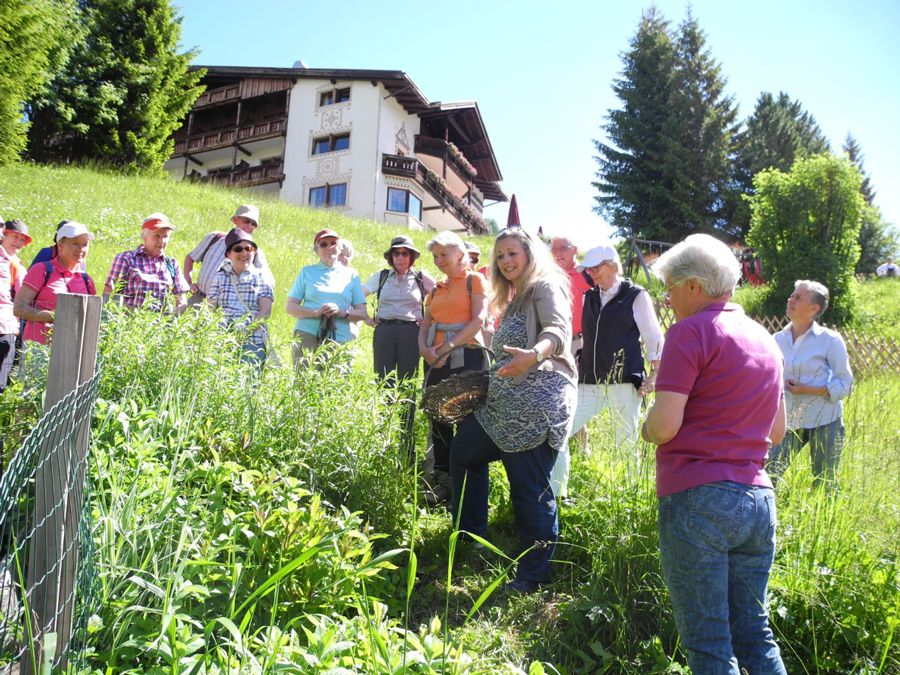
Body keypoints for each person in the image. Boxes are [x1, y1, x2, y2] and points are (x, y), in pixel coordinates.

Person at [641, 234, 787, 674]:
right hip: (759, 501)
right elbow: (777, 431)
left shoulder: (689, 331)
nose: (666, 298)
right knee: (754, 633)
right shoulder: (765, 338)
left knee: (708, 644)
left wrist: (646, 425)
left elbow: (665, 425)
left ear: (693, 287)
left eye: (669, 287)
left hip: (698, 498)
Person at [450, 227, 575, 593]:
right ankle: (471, 537)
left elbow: (558, 330)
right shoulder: (516, 297)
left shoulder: (545, 287)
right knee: (463, 453)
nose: (506, 261)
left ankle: (534, 575)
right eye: (500, 255)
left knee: (529, 488)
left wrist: (535, 355)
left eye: (512, 253)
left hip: (536, 405)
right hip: (502, 406)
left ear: (529, 254)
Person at [551, 243, 663, 498]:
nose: (591, 273)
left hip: (624, 382)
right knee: (560, 433)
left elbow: (654, 338)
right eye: (588, 269)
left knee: (626, 444)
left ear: (613, 265)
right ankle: (558, 497)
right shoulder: (588, 296)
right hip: (588, 382)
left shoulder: (635, 295)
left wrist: (655, 375)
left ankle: (628, 498)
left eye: (596, 267)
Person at [418, 231, 488, 506]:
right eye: (434, 256)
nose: (437, 260)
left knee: (466, 418)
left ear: (459, 253)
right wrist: (425, 350)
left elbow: (478, 320)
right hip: (435, 359)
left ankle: (468, 484)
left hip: (466, 357)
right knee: (439, 419)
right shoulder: (436, 288)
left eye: (443, 254)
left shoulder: (474, 280)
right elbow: (425, 324)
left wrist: (447, 347)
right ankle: (444, 482)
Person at [767, 281, 853, 485]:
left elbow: (846, 382)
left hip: (825, 421)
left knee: (825, 483)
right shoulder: (776, 340)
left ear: (814, 309)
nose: (790, 299)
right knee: (769, 475)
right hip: (788, 421)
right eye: (792, 295)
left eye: (798, 297)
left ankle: (826, 517)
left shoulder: (830, 340)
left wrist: (812, 390)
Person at [363, 235, 436, 459]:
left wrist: (430, 320)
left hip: (410, 333)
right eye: (396, 253)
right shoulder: (382, 276)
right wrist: (365, 317)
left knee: (407, 385)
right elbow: (357, 294)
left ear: (412, 257)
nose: (400, 257)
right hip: (384, 331)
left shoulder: (421, 277)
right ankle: (384, 438)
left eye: (405, 253)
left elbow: (440, 298)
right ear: (391, 257)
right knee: (383, 382)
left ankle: (407, 445)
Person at [14, 222, 98, 383]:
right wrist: (56, 316)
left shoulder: (87, 280)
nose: (81, 249)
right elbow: (19, 309)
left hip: (73, 349)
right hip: (38, 346)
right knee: (31, 397)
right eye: (75, 243)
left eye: (85, 245)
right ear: (60, 245)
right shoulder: (42, 270)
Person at [285, 229, 367, 368]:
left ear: (339, 248)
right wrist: (315, 313)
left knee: (335, 384)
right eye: (323, 244)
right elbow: (290, 307)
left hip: (339, 337)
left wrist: (341, 312)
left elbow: (362, 313)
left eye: (333, 243)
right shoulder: (307, 272)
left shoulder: (352, 275)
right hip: (308, 333)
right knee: (304, 382)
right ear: (317, 250)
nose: (329, 247)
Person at [206, 229, 274, 366]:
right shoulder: (220, 276)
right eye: (238, 249)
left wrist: (243, 335)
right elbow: (210, 307)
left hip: (253, 341)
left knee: (248, 383)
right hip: (222, 340)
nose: (244, 253)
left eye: (249, 249)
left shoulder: (262, 276)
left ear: (254, 252)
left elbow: (265, 311)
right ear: (228, 254)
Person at [184, 204, 274, 306]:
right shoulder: (214, 238)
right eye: (246, 221)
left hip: (226, 309)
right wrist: (188, 282)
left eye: (253, 224)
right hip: (199, 299)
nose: (250, 226)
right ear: (235, 220)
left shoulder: (253, 251)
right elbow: (190, 258)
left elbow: (268, 281)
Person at [104, 213, 189, 312]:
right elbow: (108, 295)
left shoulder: (172, 264)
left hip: (163, 325)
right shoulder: (126, 259)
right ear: (145, 236)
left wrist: (171, 320)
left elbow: (182, 302)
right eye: (157, 236)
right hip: (130, 323)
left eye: (165, 237)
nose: (161, 241)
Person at [1, 221, 33, 390]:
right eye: (15, 237)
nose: (19, 243)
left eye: (23, 240)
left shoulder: (17, 267)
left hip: (7, 328)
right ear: (3, 235)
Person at [337, 239, 366, 341]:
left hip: (348, 323)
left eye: (348, 255)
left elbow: (360, 306)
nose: (344, 258)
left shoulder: (353, 277)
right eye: (341, 254)